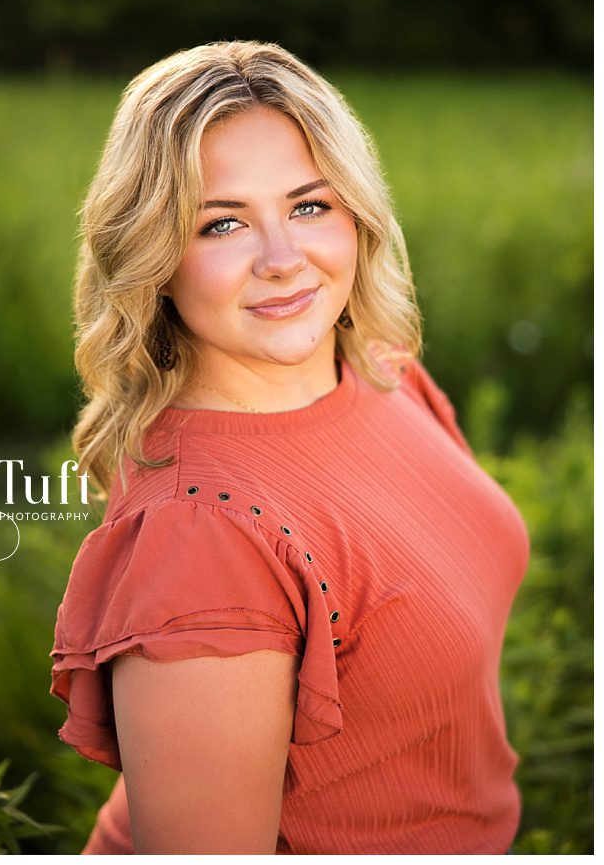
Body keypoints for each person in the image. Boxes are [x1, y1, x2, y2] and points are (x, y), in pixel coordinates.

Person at [50, 42, 528, 854]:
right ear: (154, 259)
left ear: (356, 212)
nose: (282, 261)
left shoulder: (381, 370)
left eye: (309, 205)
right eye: (222, 222)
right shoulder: (201, 530)